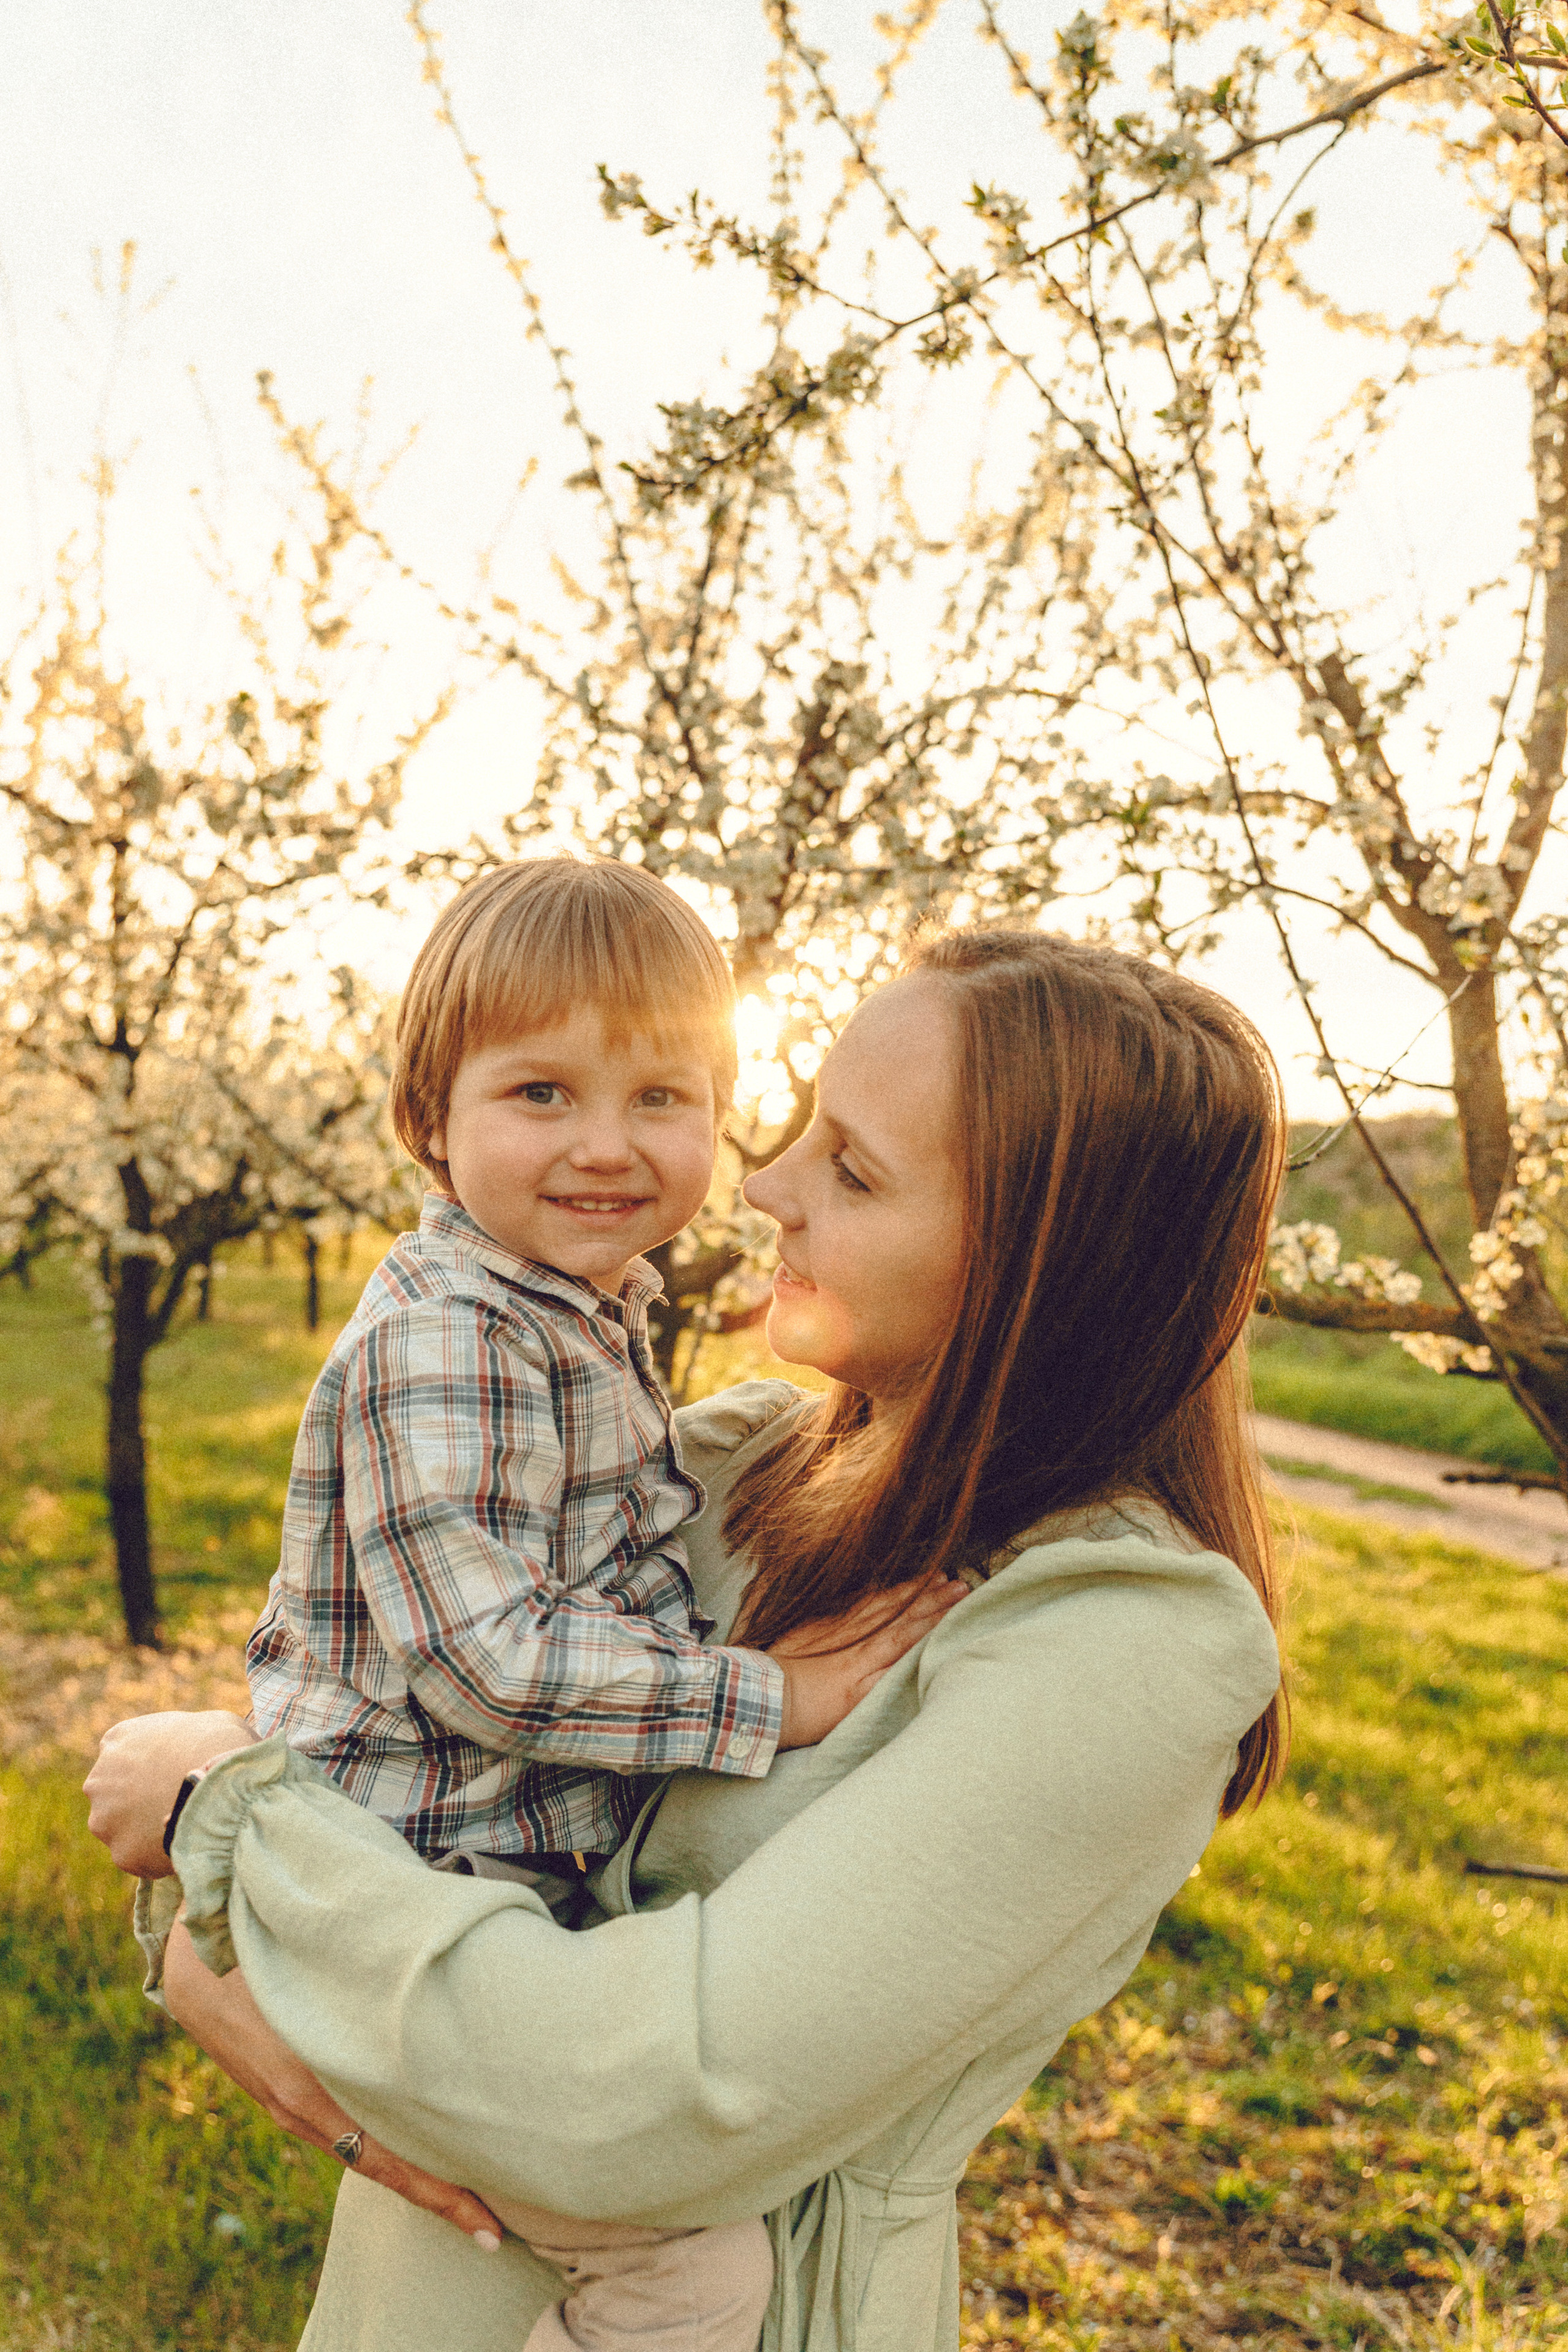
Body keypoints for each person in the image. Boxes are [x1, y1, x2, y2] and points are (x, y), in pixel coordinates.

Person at [87, 928, 1288, 2352]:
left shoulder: (1119, 1642)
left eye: (848, 1167)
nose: (761, 1184)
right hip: (427, 2279)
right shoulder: (733, 1465)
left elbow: (638, 2103)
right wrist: (201, 1911)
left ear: (1045, 1269)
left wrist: (228, 1825)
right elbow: (371, 1697)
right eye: (786, 1127)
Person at [154, 857, 957, 2352]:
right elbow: (487, 1663)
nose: (607, 1145)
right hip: (409, 1891)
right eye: (541, 1095)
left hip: (465, 1877)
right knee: (690, 2276)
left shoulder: (570, 1308)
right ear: (427, 1119)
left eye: (662, 1097)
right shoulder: (447, 1339)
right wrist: (770, 1697)